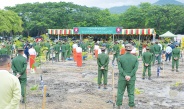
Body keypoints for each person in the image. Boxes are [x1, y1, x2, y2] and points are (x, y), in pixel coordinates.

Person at [116, 44, 139, 109]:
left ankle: (118, 105)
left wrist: (125, 75)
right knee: (131, 93)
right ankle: (131, 106)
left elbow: (120, 69)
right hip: (131, 78)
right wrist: (130, 75)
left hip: (122, 78)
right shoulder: (135, 58)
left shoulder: (120, 58)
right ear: (131, 49)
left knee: (120, 92)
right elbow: (135, 69)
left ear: (125, 49)